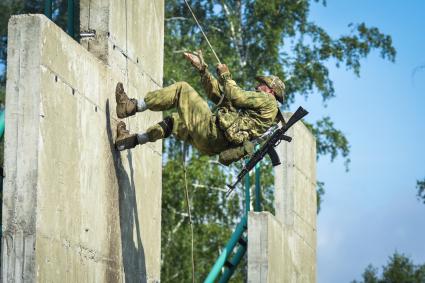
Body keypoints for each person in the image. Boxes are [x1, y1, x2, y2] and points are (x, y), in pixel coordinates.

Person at [115, 50, 286, 165]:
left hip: (214, 131)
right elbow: (219, 96)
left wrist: (226, 74)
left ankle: (130, 106)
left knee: (181, 89)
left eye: (261, 85)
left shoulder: (268, 101)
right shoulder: (261, 118)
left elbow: (235, 95)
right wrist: (202, 69)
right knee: (174, 122)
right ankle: (128, 141)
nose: (257, 87)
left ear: (270, 89)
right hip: (212, 145)